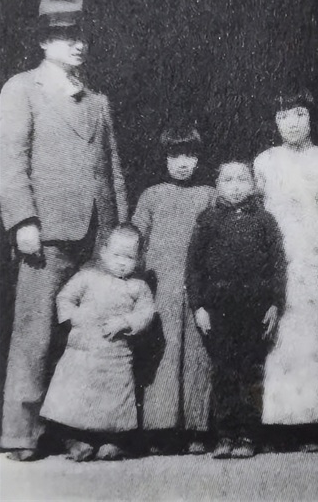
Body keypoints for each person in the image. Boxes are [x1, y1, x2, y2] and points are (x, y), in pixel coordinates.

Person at [0, 0, 127, 461]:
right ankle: (21, 433)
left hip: (97, 234)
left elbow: (112, 170)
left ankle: (77, 427)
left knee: (86, 334)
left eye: (81, 36)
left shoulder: (97, 101)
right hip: (46, 232)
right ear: (43, 41)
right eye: (66, 36)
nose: (78, 45)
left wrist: (119, 229)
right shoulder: (21, 89)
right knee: (35, 332)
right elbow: (9, 162)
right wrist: (23, 220)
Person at [254, 90, 318, 452]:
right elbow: (258, 217)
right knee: (276, 343)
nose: (291, 123)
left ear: (311, 117)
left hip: (312, 263)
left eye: (299, 114)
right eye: (283, 116)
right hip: (275, 264)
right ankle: (277, 428)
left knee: (310, 342)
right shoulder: (264, 162)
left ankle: (312, 427)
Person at [186, 162, 285, 459]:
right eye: (228, 180)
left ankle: (247, 435)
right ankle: (225, 435)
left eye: (242, 179)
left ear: (253, 184)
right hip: (218, 310)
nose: (236, 186)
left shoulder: (265, 220)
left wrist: (275, 303)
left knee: (251, 371)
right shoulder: (207, 219)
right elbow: (194, 267)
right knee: (223, 371)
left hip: (254, 310)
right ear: (217, 184)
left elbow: (277, 265)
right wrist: (198, 306)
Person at [132, 126, 215, 455]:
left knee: (198, 353)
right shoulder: (151, 196)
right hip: (161, 285)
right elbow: (136, 240)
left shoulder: (209, 194)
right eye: (175, 155)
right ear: (164, 158)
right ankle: (160, 428)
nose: (183, 163)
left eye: (190, 156)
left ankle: (197, 428)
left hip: (198, 288)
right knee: (164, 353)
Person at [40, 224, 154, 461]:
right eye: (116, 255)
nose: (122, 263)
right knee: (76, 398)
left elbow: (146, 314)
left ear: (138, 259)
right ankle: (74, 440)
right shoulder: (87, 277)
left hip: (115, 357)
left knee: (113, 400)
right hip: (82, 352)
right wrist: (74, 317)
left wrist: (125, 321)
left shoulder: (138, 287)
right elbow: (65, 297)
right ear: (103, 252)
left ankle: (111, 441)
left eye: (129, 257)